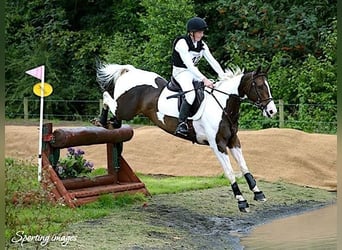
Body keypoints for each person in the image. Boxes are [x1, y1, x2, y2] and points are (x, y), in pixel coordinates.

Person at [172, 17, 225, 136]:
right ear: (191, 32)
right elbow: (189, 65)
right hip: (180, 72)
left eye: (202, 32)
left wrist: (223, 76)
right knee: (190, 95)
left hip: (192, 72)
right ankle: (182, 123)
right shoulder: (182, 43)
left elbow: (212, 61)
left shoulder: (202, 44)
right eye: (199, 32)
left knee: (210, 89)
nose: (202, 34)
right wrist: (204, 79)